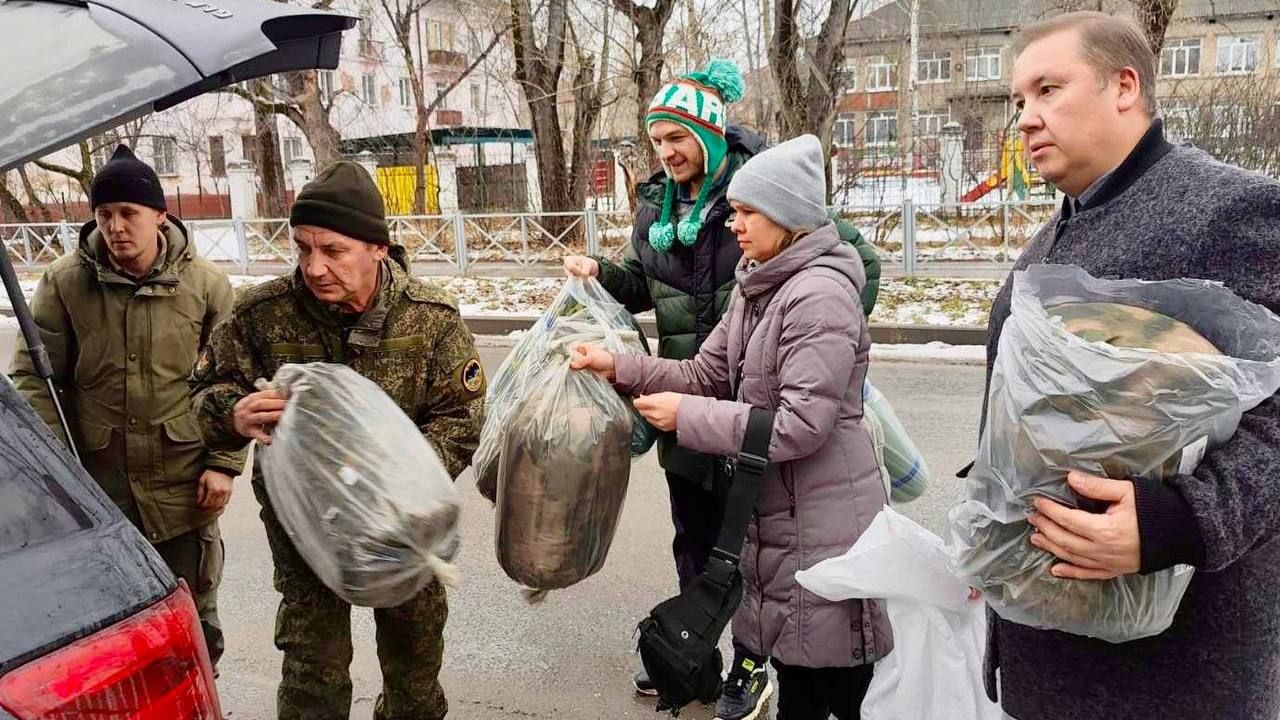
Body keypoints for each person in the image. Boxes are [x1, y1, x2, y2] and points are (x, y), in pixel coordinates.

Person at [974, 12, 1280, 719]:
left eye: (1048, 89)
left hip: (1172, 669)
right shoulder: (1048, 240)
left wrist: (1181, 521)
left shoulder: (1229, 210)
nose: (1025, 118)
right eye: (1020, 100)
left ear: (1124, 86)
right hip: (1048, 640)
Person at [563, 59, 880, 719]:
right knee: (711, 550)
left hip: (803, 485)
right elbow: (702, 371)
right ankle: (707, 659)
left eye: (745, 214)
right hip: (744, 449)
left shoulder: (813, 291)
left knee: (823, 669)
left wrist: (825, 347)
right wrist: (614, 366)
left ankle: (747, 673)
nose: (735, 227)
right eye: (657, 141)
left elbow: (799, 424)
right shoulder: (753, 278)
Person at [189, 161, 486, 720]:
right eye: (303, 249)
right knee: (312, 673)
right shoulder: (263, 314)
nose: (314, 267)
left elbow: (462, 417)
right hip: (303, 529)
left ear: (377, 247)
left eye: (332, 250)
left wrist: (396, 486)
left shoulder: (430, 319)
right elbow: (202, 393)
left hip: (402, 527)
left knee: (414, 672)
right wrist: (234, 413)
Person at [11, 144, 242, 668]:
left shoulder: (206, 285)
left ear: (160, 216)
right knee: (111, 638)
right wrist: (60, 471)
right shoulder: (65, 282)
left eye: (129, 213)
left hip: (185, 488)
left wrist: (224, 463)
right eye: (105, 213)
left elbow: (233, 381)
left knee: (194, 628)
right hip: (99, 491)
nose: (116, 226)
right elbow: (34, 378)